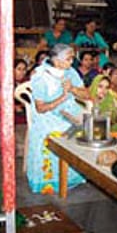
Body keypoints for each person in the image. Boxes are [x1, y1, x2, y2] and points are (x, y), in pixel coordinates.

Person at [27, 43, 89, 194]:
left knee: (87, 127)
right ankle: (53, 180)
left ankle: (74, 176)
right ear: (56, 60)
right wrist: (62, 97)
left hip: (69, 110)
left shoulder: (70, 72)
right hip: (47, 116)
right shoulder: (40, 76)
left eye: (72, 58)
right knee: (62, 132)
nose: (72, 62)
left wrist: (72, 89)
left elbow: (86, 94)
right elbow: (40, 108)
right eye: (69, 59)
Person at [0, 58, 29, 124]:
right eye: (19, 69)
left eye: (24, 69)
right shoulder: (7, 83)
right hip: (7, 108)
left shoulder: (26, 82)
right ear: (13, 70)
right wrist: (14, 107)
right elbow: (0, 102)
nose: (22, 72)